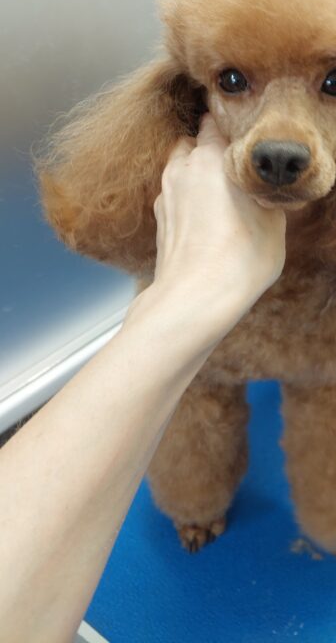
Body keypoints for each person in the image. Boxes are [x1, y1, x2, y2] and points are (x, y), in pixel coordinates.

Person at [0, 115, 286, 643]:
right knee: (198, 393)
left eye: (335, 83)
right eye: (232, 80)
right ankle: (194, 502)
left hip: (324, 302)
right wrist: (192, 292)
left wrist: (182, 296)